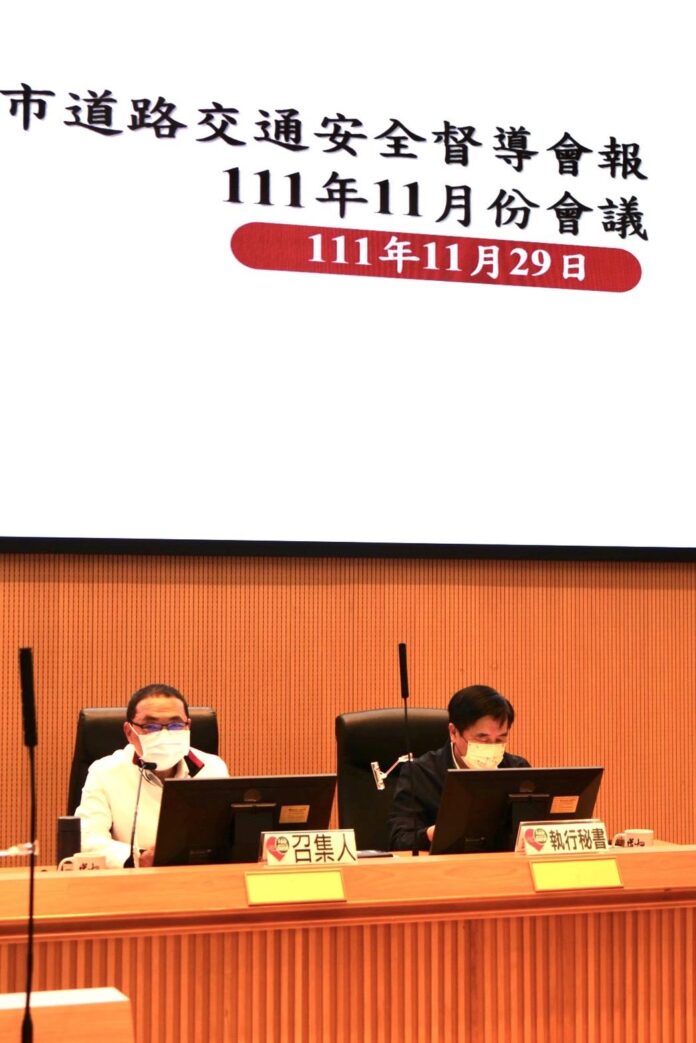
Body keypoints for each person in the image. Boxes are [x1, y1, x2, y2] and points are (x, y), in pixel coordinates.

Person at [76, 683, 229, 868]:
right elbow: (87, 839)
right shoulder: (104, 772)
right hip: (132, 879)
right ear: (129, 732)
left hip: (200, 877)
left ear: (188, 727)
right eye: (151, 726)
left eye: (175, 725)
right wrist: (137, 858)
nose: (164, 735)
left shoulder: (213, 768)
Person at [387, 684, 530, 851]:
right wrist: (433, 833)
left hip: (504, 865)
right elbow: (399, 840)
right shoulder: (420, 773)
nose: (491, 747)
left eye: (500, 739)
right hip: (444, 866)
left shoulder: (518, 770)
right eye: (482, 738)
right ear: (453, 732)